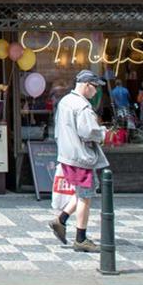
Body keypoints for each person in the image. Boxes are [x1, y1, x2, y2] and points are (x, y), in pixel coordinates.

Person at [50, 69, 110, 253]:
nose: (96, 91)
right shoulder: (82, 106)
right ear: (86, 85)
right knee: (85, 196)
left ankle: (61, 220)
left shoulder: (65, 101)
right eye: (95, 87)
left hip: (67, 153)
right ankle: (81, 239)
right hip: (80, 156)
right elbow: (88, 132)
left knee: (81, 193)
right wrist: (103, 133)